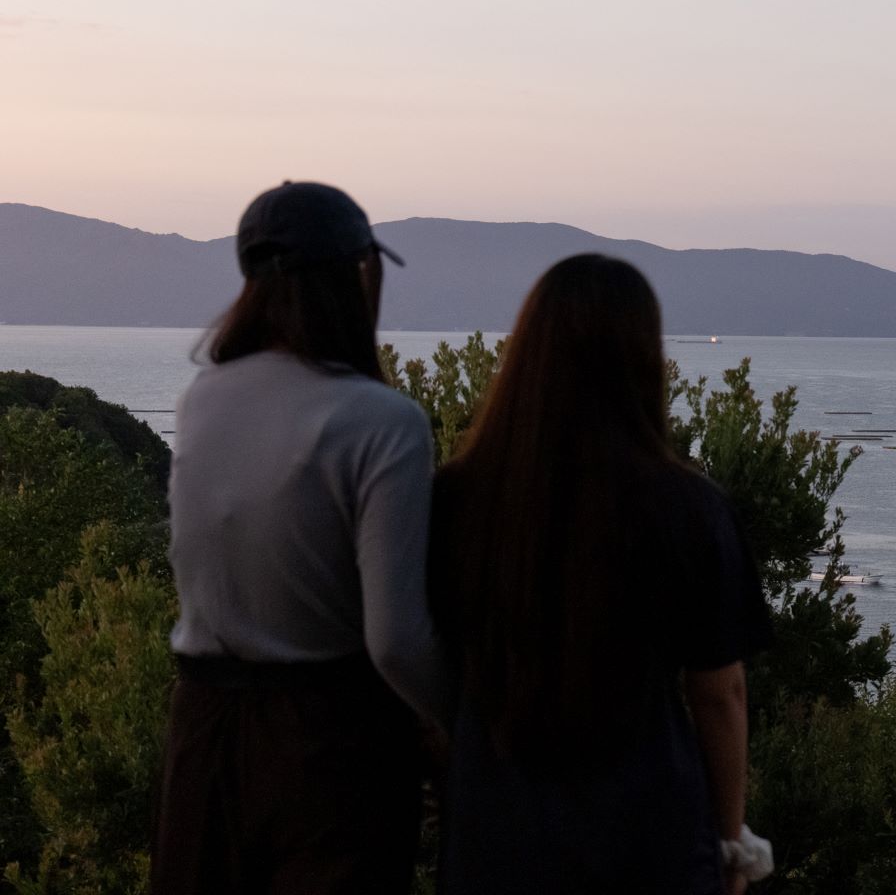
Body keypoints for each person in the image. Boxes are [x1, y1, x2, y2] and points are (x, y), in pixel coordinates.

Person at [429, 253, 773, 894]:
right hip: (648, 836)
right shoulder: (688, 507)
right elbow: (719, 694)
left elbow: (419, 655)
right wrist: (730, 842)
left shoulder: (454, 499)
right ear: (644, 357)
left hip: (495, 833)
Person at [152, 181, 446, 895]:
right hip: (332, 744)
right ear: (357, 277)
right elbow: (396, 641)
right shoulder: (384, 421)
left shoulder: (202, 400)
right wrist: (464, 727)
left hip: (203, 730)